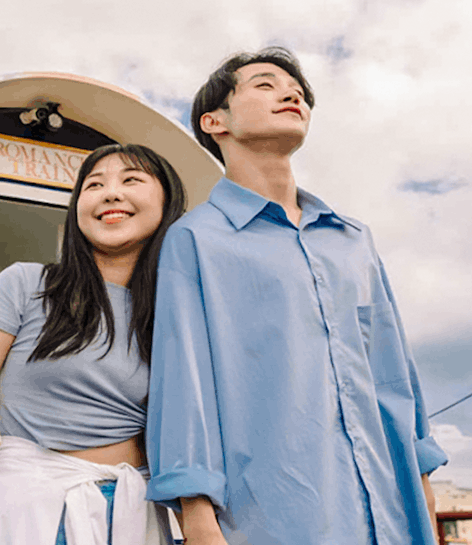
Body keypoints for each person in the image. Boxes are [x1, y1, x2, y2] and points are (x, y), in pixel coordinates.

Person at [146, 48, 448, 545]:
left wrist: (422, 474)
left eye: (299, 92)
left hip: (392, 503)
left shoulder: (353, 239)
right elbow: (185, 382)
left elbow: (392, 368)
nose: (292, 95)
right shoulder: (195, 240)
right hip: (272, 515)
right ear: (214, 121)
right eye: (265, 84)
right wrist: (195, 513)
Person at [0, 143, 187, 545]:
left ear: (166, 201)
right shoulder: (25, 284)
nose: (111, 194)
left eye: (131, 180)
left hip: (137, 511)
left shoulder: (176, 310)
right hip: (35, 509)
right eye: (94, 185)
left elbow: (183, 431)